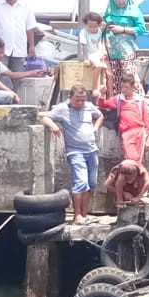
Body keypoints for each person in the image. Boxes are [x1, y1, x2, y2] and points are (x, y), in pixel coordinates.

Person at [41, 85, 104, 224]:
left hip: (92, 150)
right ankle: (77, 216)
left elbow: (100, 116)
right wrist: (52, 125)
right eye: (77, 100)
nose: (80, 103)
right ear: (70, 98)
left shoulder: (89, 106)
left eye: (82, 100)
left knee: (90, 183)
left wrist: (95, 128)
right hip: (76, 152)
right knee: (80, 182)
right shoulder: (63, 108)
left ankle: (84, 214)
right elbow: (45, 117)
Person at [97, 73, 149, 163]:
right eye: (122, 87)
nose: (124, 90)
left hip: (140, 132)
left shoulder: (140, 100)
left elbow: (146, 121)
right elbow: (103, 104)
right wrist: (102, 94)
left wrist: (148, 139)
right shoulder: (119, 99)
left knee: (138, 160)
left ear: (133, 88)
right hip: (127, 133)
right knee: (132, 159)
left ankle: (138, 176)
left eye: (127, 87)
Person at [103, 0, 147, 95]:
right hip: (111, 50)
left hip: (127, 50)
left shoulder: (134, 11)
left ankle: (137, 99)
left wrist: (122, 29)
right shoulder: (109, 11)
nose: (121, 1)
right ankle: (119, 103)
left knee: (129, 74)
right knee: (115, 77)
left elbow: (141, 29)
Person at [77, 11, 108, 97]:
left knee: (106, 67)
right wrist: (85, 58)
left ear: (98, 25)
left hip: (99, 53)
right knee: (98, 66)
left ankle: (103, 86)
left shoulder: (100, 31)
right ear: (86, 24)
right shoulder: (83, 32)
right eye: (90, 26)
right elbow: (84, 46)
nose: (92, 28)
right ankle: (95, 88)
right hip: (90, 54)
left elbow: (103, 40)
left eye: (95, 26)